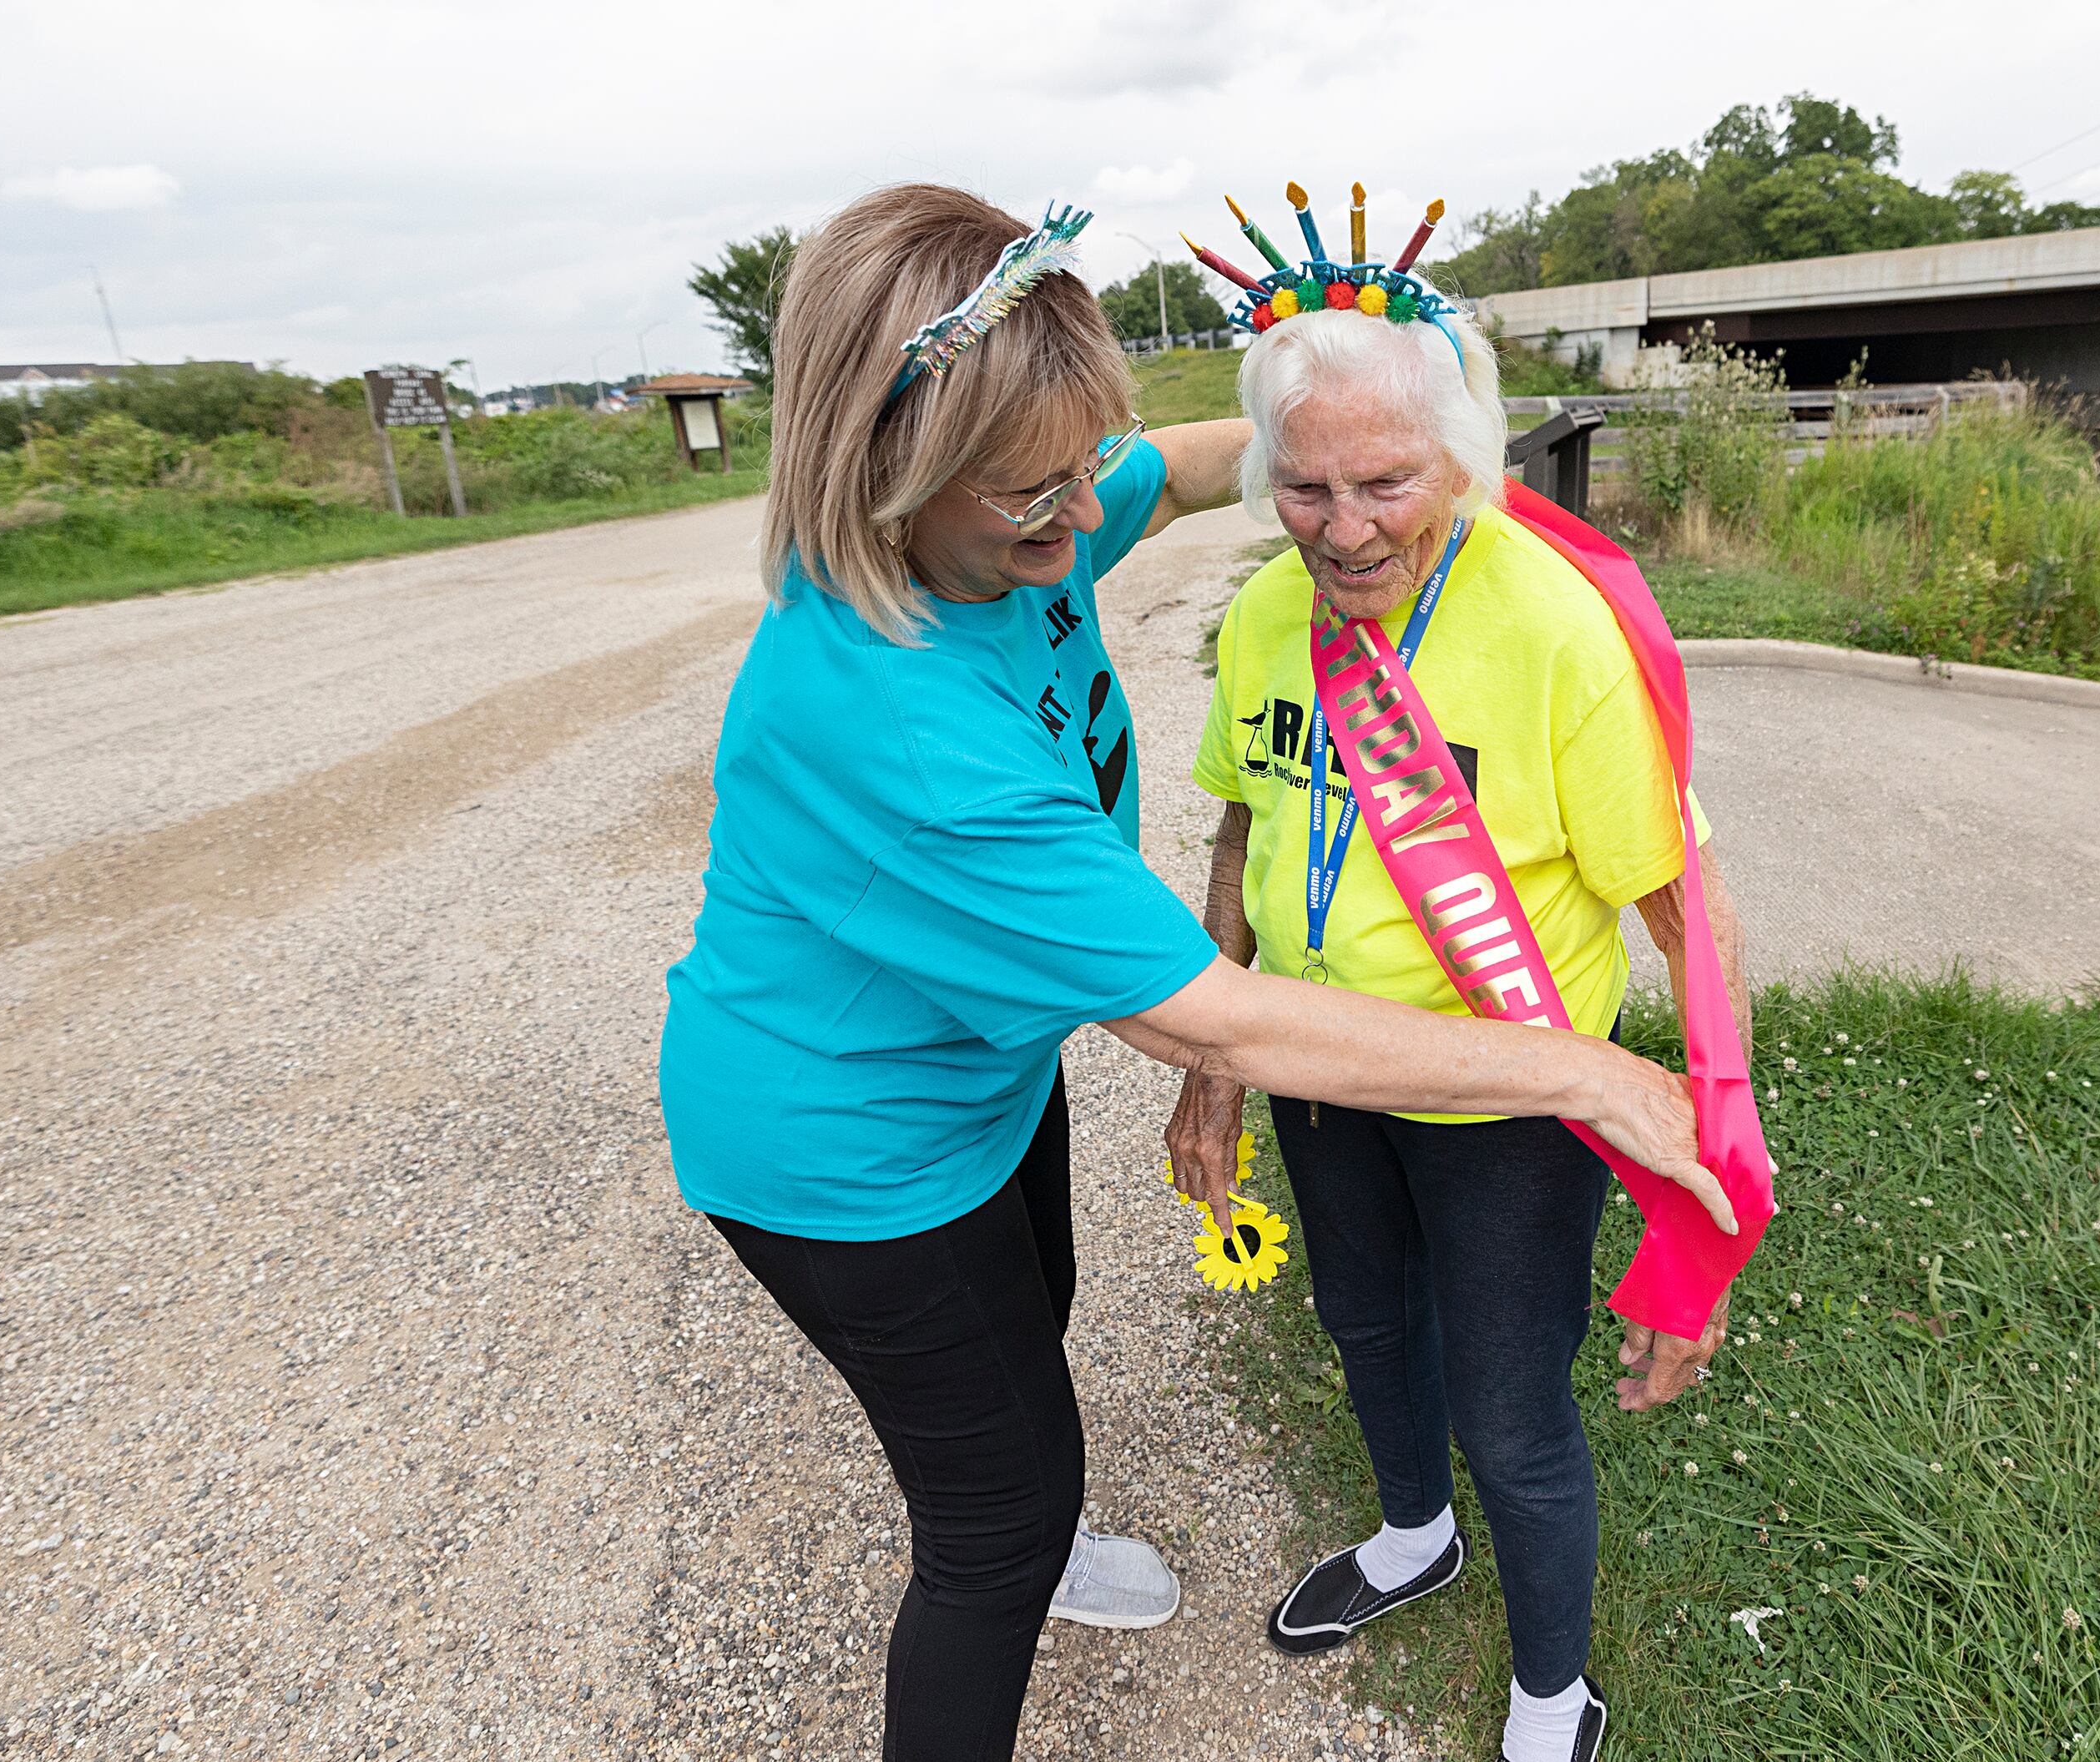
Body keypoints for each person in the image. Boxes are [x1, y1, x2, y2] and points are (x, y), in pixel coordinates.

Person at [656, 184, 1735, 1762]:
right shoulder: (897, 728)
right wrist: (1598, 1074)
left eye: (1077, 469)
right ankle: (1026, 1547)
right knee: (991, 1519)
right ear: (884, 480)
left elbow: (1207, 464)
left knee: (1045, 1309)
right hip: (840, 1144)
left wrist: (1397, 424)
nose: (1079, 521)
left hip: (978, 1072)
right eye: (1028, 501)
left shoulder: (1022, 517)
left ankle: (1040, 1516)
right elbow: (1204, 1014)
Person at [1162, 302, 1759, 1762]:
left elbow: (1684, 913)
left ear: (1465, 465)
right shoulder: (1261, 619)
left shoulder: (1558, 632)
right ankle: (1414, 1537)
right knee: (1364, 1323)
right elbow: (1247, 822)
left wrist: (1710, 1170)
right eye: (1307, 486)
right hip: (1320, 1073)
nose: (1344, 528)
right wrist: (1216, 1081)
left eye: (1387, 485)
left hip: (1507, 1095)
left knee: (1510, 1408)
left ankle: (1555, 1690)